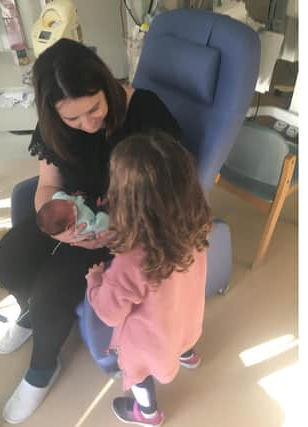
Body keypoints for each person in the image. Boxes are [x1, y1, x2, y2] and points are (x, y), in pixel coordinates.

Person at [0, 38, 181, 424]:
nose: (88, 124)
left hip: (127, 225)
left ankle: (43, 368)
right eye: (73, 119)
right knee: (7, 261)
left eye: (95, 109)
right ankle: (31, 311)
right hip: (71, 214)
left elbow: (172, 189)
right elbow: (46, 186)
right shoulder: (55, 126)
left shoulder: (145, 112)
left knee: (54, 289)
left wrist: (119, 233)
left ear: (106, 85)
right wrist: (59, 227)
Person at [86, 131, 212, 427]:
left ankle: (148, 413)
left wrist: (96, 282)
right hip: (185, 317)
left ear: (127, 199)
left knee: (139, 372)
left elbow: (108, 312)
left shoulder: (130, 261)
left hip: (149, 342)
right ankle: (187, 355)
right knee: (182, 335)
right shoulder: (197, 224)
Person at [36, 191, 109, 239]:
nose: (71, 203)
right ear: (69, 226)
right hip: (98, 213)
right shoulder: (82, 226)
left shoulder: (59, 200)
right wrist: (100, 209)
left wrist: (73, 195)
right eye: (71, 208)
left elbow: (58, 194)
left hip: (88, 198)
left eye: (66, 202)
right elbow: (102, 225)